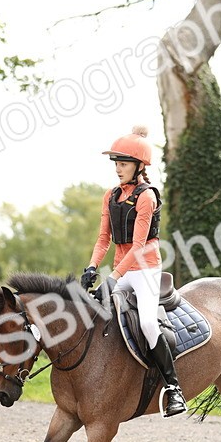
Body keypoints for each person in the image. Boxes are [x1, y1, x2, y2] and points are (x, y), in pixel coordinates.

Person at [81, 125, 186, 417]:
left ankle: (174, 389)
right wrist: (92, 267)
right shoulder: (110, 196)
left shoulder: (147, 197)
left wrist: (112, 279)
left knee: (149, 324)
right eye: (116, 163)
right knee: (91, 311)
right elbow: (104, 239)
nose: (118, 168)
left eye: (123, 163)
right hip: (121, 269)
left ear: (139, 166)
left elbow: (139, 245)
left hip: (146, 270)